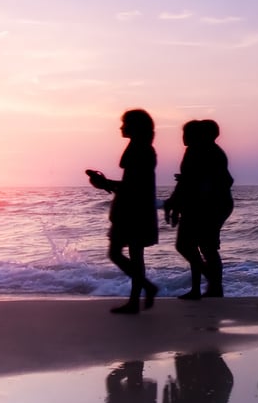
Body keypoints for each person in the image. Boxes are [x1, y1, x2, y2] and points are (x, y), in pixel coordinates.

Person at [86, 108, 160, 314]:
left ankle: (145, 288)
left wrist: (105, 183)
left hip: (132, 211)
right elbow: (133, 185)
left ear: (135, 127)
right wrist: (106, 184)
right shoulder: (143, 149)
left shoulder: (140, 151)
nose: (121, 127)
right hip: (140, 209)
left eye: (125, 124)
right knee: (135, 254)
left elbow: (133, 187)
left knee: (116, 253)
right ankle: (136, 299)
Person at [164, 119, 235, 300]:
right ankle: (205, 287)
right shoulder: (202, 150)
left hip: (208, 205)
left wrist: (179, 204)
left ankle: (210, 285)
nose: (184, 137)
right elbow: (188, 180)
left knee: (194, 246)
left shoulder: (204, 151)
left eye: (187, 133)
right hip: (210, 204)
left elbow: (197, 181)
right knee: (201, 246)